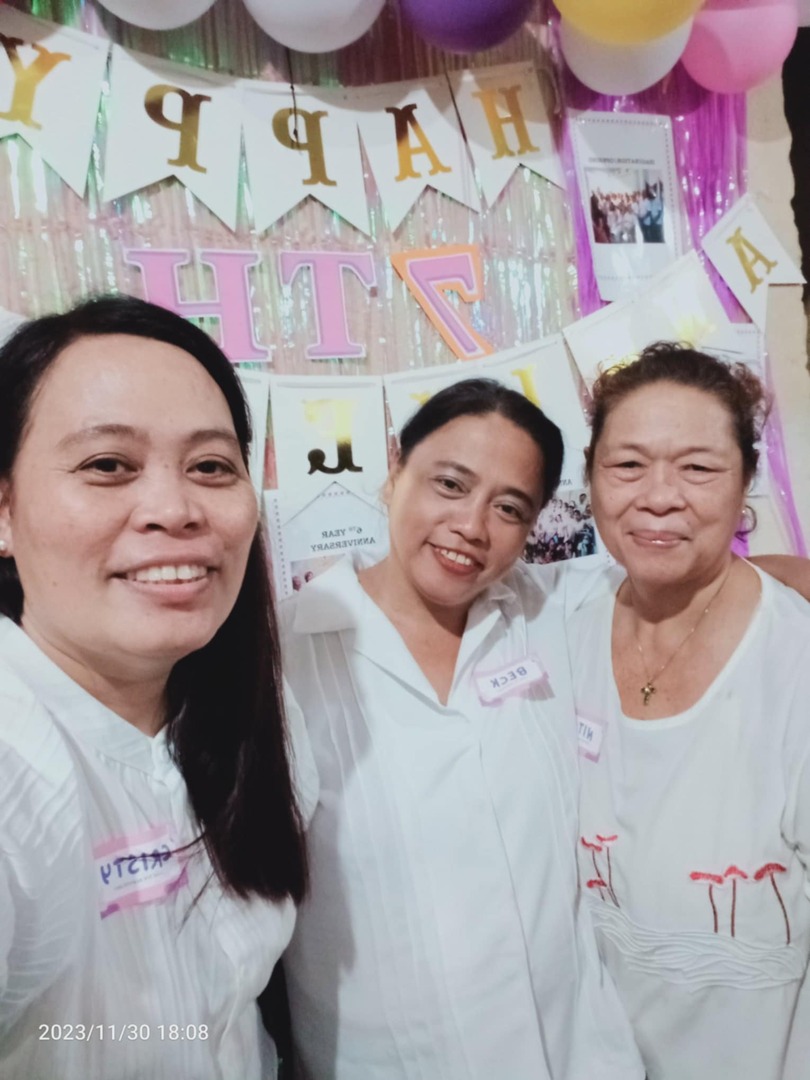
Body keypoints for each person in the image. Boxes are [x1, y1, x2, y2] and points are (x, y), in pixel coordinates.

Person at [280, 379, 644, 1080]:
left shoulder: (553, 611)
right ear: (395, 469)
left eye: (509, 508)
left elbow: (706, 580)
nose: (472, 527)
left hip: (578, 1057)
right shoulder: (285, 656)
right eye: (450, 484)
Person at [0, 295, 315, 1080]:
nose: (175, 510)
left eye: (211, 467)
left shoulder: (258, 714)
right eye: (108, 465)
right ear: (4, 510)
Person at [571, 343, 810, 1080]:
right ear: (590, 476)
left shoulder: (793, 660)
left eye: (699, 468)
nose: (659, 496)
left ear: (746, 483)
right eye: (628, 464)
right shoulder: (558, 623)